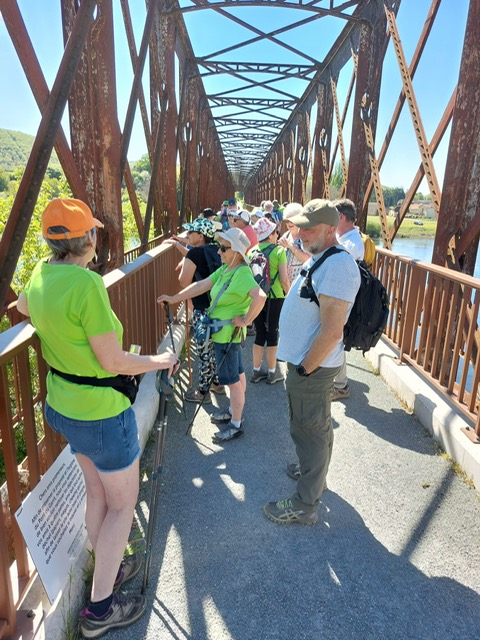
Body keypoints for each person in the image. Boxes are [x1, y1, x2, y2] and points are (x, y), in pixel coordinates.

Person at [16, 198, 179, 637]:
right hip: (102, 414)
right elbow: (112, 361)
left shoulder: (40, 274)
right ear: (87, 239)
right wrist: (160, 360)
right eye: (93, 231)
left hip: (63, 406)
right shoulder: (87, 284)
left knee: (97, 494)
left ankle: (110, 566)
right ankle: (101, 609)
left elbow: (25, 308)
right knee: (122, 504)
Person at [263, 199, 360, 525]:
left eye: (309, 229)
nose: (300, 234)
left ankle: (305, 504)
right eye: (299, 227)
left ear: (331, 229)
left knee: (309, 432)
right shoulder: (323, 255)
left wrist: (304, 369)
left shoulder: (338, 266)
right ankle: (314, 475)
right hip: (308, 364)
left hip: (312, 367)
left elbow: (332, 332)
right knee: (315, 427)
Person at [158, 227, 266, 443]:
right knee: (238, 375)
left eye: (223, 248)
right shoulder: (227, 270)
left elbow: (260, 296)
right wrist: (174, 298)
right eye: (219, 247)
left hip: (227, 337)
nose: (219, 252)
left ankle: (236, 424)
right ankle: (235, 412)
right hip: (226, 335)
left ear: (237, 252)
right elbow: (201, 285)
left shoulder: (242, 273)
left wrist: (246, 320)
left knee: (232, 382)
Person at [165, 217, 225, 403]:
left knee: (204, 350)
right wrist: (181, 249)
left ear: (200, 236)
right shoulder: (217, 249)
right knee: (213, 347)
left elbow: (184, 281)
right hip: (219, 306)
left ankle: (203, 392)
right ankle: (217, 383)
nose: (188, 234)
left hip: (202, 309)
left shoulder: (193, 254)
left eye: (191, 232)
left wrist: (185, 260)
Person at [330, 198, 365, 401]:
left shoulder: (351, 244)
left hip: (343, 299)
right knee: (334, 337)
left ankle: (340, 386)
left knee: (335, 338)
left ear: (341, 217)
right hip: (338, 296)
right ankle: (337, 382)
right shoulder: (345, 238)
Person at [250, 217, 289, 384]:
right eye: (276, 232)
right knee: (272, 335)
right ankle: (273, 373)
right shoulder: (279, 251)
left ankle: (256, 371)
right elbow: (284, 279)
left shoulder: (251, 251)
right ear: (271, 234)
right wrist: (289, 294)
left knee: (260, 334)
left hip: (257, 297)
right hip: (275, 296)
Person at [278, 202, 311, 285]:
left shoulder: (304, 236)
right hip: (286, 284)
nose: (289, 223)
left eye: (292, 220)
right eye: (287, 220)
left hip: (300, 283)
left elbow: (308, 260)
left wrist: (291, 247)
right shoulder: (286, 235)